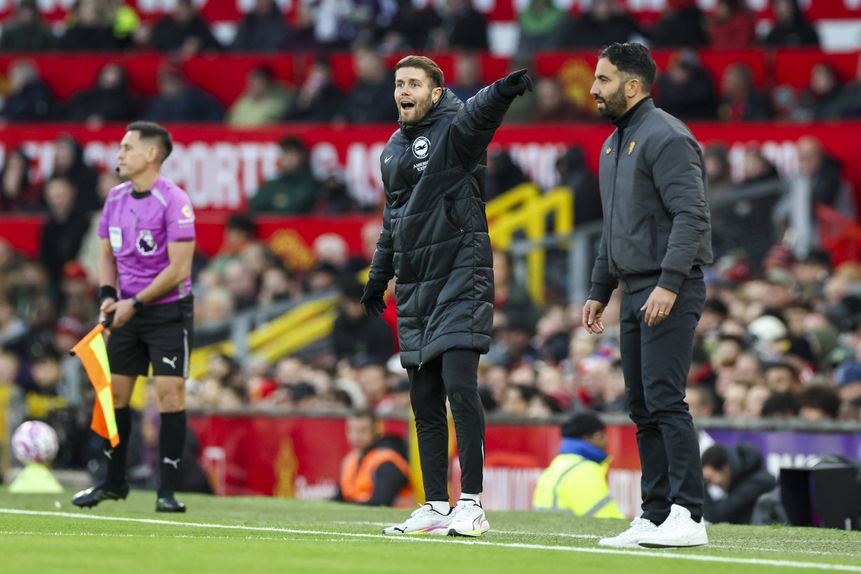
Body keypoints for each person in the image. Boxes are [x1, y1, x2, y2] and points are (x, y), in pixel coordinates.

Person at [362, 55, 532, 537]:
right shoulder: (392, 149)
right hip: (416, 287)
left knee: (460, 385)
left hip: (461, 276)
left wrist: (501, 89)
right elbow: (393, 220)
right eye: (399, 83)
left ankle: (471, 503)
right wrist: (378, 276)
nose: (404, 91)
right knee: (424, 399)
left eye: (414, 83)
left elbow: (479, 113)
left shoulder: (455, 131)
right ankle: (436, 504)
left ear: (436, 93)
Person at [582, 43, 712, 548]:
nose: (593, 88)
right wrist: (600, 289)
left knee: (664, 399)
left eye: (603, 79)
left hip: (666, 287)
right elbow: (613, 228)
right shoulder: (612, 145)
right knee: (641, 405)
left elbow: (691, 215)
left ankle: (689, 514)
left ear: (632, 86)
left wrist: (669, 283)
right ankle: (656, 513)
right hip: (634, 287)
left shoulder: (667, 136)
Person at [71, 122, 196, 513]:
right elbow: (106, 254)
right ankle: (113, 483)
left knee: (169, 394)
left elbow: (179, 269)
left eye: (127, 147)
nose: (120, 154)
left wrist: (134, 303)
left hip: (167, 313)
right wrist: (108, 296)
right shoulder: (115, 198)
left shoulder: (174, 200)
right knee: (115, 395)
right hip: (126, 310)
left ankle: (167, 491)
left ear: (151, 154)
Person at [532, 411, 623, 518]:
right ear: (590, 437)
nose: (606, 441)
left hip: (551, 525)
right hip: (566, 527)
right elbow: (605, 519)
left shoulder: (559, 463)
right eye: (601, 436)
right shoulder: (585, 470)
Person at [334, 411, 411, 506]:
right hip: (360, 512)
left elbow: (381, 501)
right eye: (351, 430)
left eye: (363, 431)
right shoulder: (350, 459)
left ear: (376, 431)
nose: (356, 437)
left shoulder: (387, 460)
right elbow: (340, 497)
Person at [701, 443, 777, 524]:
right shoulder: (742, 478)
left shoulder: (756, 483)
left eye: (709, 479)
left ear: (725, 469)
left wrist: (702, 487)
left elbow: (716, 515)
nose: (711, 484)